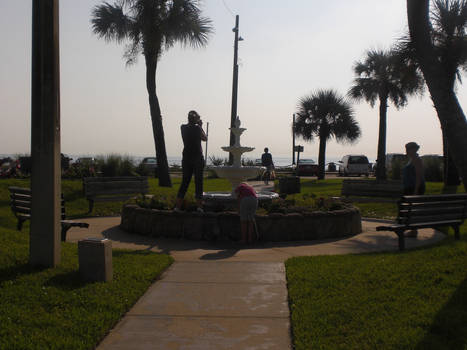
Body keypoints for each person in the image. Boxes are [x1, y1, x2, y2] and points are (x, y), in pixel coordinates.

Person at [175, 110, 207, 212]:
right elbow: (205, 138)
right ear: (196, 119)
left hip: (186, 157)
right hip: (197, 157)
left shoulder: (183, 127)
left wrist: (197, 123)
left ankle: (177, 207)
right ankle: (199, 207)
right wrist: (201, 126)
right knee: (198, 182)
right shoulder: (197, 128)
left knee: (185, 182)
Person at [402, 141, 425, 237]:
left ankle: (413, 231)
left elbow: (419, 175)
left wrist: (416, 190)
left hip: (414, 188)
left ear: (413, 149)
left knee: (412, 209)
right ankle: (412, 229)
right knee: (410, 209)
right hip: (409, 187)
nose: (406, 151)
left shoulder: (416, 160)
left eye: (408, 149)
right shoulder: (412, 159)